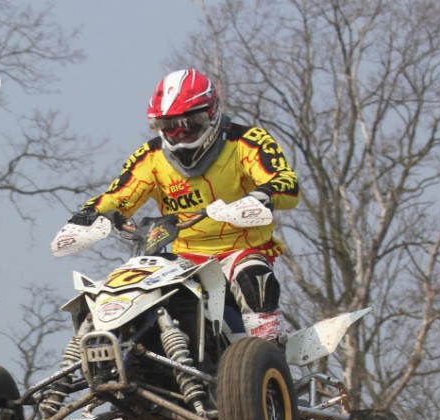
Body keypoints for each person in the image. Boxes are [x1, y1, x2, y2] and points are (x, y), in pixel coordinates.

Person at [68, 66, 299, 340]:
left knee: (254, 277)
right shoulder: (150, 156)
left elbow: (285, 181)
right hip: (184, 258)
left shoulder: (247, 141)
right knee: (125, 290)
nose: (179, 134)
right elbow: (120, 194)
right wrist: (90, 214)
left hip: (240, 250)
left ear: (211, 114)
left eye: (189, 124)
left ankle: (270, 349)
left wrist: (262, 196)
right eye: (168, 126)